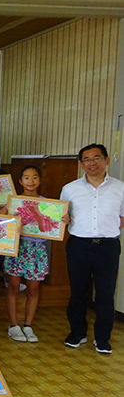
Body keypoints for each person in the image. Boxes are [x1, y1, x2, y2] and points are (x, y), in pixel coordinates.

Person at [60, 143, 124, 354]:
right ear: (81, 164)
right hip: (79, 245)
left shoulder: (120, 188)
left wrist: (106, 232)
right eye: (87, 159)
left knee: (105, 294)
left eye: (96, 158)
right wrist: (65, 219)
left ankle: (103, 338)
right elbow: (61, 217)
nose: (92, 163)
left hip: (108, 246)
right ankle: (77, 333)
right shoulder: (70, 189)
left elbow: (121, 218)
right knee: (78, 291)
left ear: (106, 160)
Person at [3, 166, 68, 343]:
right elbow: (4, 227)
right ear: (20, 181)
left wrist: (63, 220)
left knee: (33, 288)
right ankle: (14, 325)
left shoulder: (47, 204)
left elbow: (53, 226)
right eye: (26, 177)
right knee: (14, 287)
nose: (30, 181)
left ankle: (29, 325)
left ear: (39, 181)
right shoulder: (13, 203)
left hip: (37, 250)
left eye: (34, 177)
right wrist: (3, 215)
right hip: (16, 249)